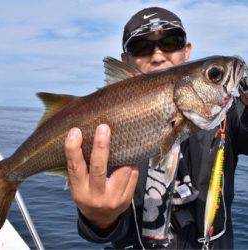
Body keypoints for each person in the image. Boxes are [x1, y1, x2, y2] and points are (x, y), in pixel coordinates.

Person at [64, 7, 248, 249]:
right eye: (141, 47)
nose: (158, 56)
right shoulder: (106, 126)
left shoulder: (229, 114)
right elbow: (101, 231)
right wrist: (98, 218)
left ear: (187, 51)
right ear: (125, 61)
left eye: (171, 42)